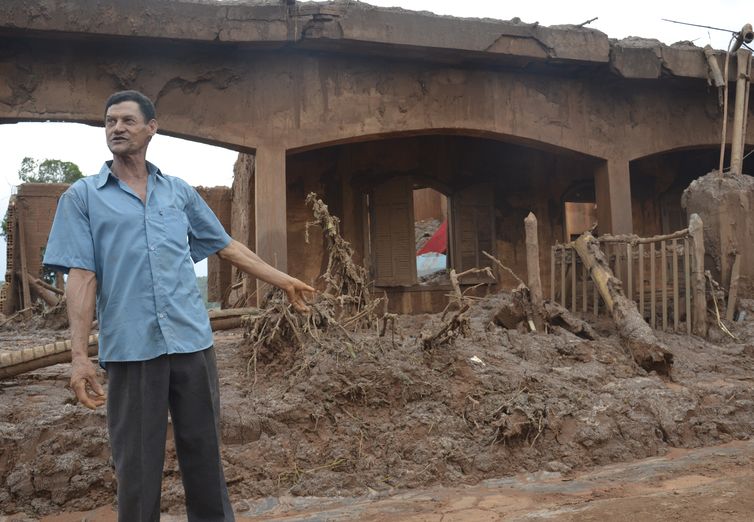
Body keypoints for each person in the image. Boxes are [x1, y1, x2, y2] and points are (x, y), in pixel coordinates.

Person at [43, 90, 314, 522]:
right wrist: (79, 357)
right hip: (132, 350)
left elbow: (225, 246)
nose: (117, 128)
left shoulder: (179, 193)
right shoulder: (83, 197)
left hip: (191, 343)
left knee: (204, 454)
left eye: (128, 121)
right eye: (110, 121)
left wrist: (283, 281)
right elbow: (82, 277)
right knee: (136, 464)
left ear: (152, 128)